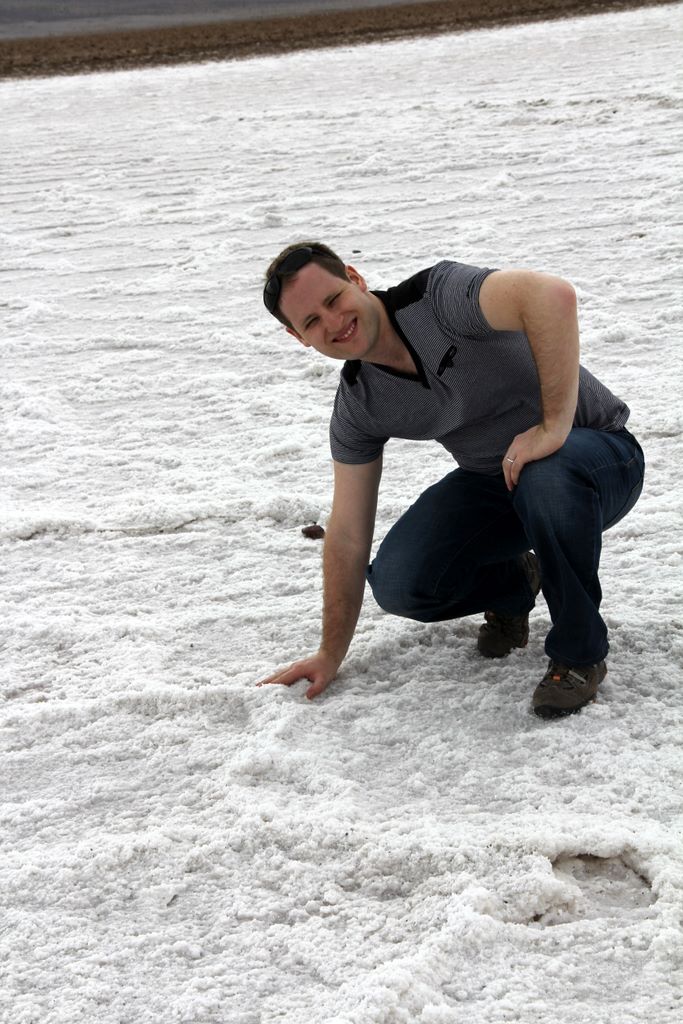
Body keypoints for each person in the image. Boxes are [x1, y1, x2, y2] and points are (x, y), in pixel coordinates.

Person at [257, 242, 644, 717]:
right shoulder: (360, 404)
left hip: (600, 459)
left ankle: (578, 655)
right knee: (400, 582)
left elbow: (552, 295)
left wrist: (554, 426)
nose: (334, 322)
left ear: (355, 279)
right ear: (298, 337)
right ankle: (514, 584)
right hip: (498, 481)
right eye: (312, 321)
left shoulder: (439, 298)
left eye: (334, 299)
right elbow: (348, 534)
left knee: (546, 474)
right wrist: (329, 654)